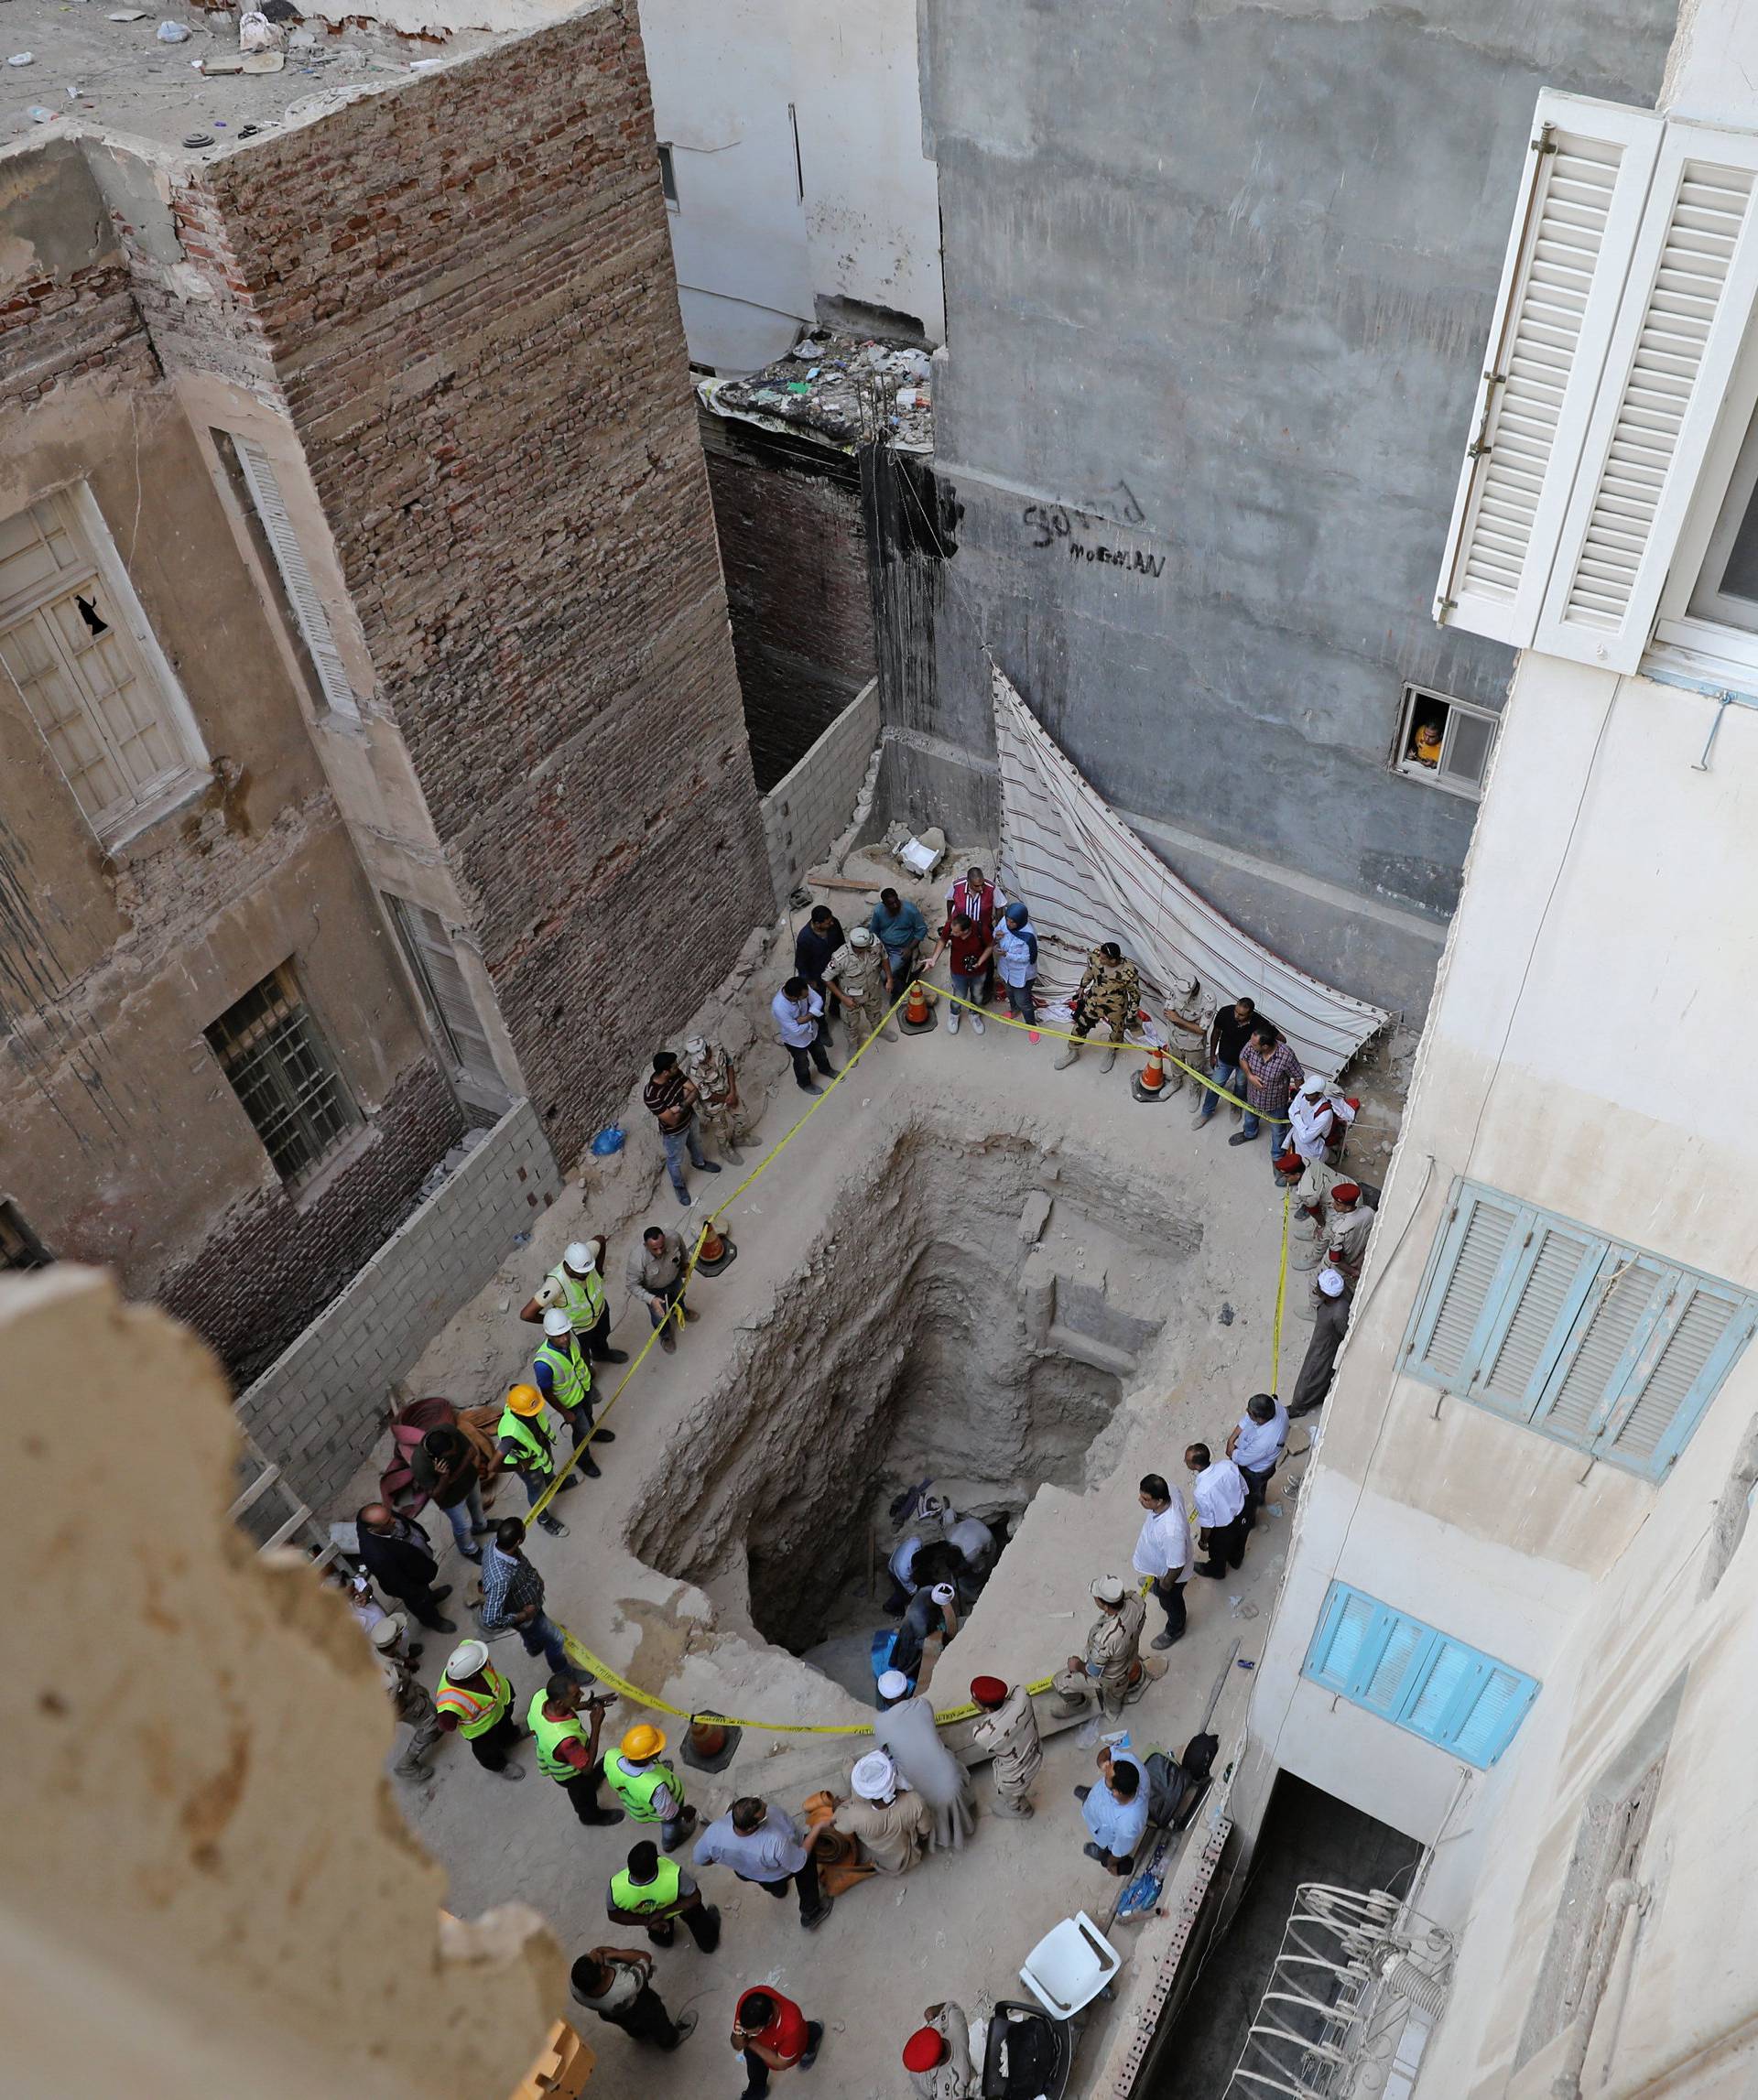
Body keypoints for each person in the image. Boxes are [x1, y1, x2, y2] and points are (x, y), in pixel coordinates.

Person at [694, 1797, 833, 1930]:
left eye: (760, 1801)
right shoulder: (775, 1842)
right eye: (764, 1814)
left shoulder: (714, 1832)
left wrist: (726, 1858)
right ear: (750, 1828)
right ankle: (811, 1912)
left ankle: (779, 1890)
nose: (767, 1806)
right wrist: (818, 1827)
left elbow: (700, 1858)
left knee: (771, 1883)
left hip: (748, 1873)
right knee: (806, 1864)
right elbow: (799, 1861)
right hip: (780, 1871)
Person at [481, 1517, 591, 1683]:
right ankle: (565, 1675)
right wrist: (523, 1615)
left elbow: (520, 1564)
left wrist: (535, 1578)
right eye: (524, 1531)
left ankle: (534, 1645)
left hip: (528, 1604)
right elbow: (490, 1619)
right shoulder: (501, 1579)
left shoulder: (495, 1544)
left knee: (532, 1631)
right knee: (556, 1639)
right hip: (525, 1612)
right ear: (519, 1540)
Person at [873, 1679, 977, 1850]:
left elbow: (883, 1752)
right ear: (907, 1690)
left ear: (884, 1699)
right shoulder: (923, 1704)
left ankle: (939, 1836)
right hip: (949, 1775)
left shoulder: (880, 1723)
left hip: (920, 1787)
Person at [527, 1672, 624, 1827]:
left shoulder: (541, 1698)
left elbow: (567, 1705)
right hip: (572, 1774)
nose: (582, 1694)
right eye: (576, 1695)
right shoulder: (565, 1739)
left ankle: (592, 1783)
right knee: (584, 1794)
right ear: (560, 1702)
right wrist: (596, 1725)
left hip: (555, 1754)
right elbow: (586, 1768)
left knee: (588, 1781)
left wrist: (587, 1704)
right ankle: (591, 1817)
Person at [1052, 1575, 1149, 1719]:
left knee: (1059, 1682)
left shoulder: (1105, 1639)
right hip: (1130, 1658)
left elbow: (1093, 1671)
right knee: (1116, 1695)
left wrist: (1077, 1665)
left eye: (1096, 1597)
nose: (1094, 1599)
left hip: (1111, 1675)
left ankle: (1079, 1705)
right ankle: (1113, 1711)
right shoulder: (1136, 1600)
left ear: (1105, 1605)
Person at [531, 1310, 612, 1477]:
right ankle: (584, 1460)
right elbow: (547, 1393)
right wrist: (565, 1413)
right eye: (559, 1336)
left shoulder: (571, 1337)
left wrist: (588, 1370)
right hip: (570, 1403)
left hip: (584, 1388)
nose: (565, 1339)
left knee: (588, 1416)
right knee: (580, 1430)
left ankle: (593, 1432)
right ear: (548, 1335)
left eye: (566, 1333)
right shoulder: (544, 1363)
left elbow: (580, 1353)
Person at [520, 1238, 627, 1364]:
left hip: (600, 1312)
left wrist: (598, 1270)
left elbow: (600, 1240)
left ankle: (601, 1354)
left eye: (588, 1270)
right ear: (569, 1268)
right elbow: (526, 1314)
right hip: (580, 1329)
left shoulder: (587, 1255)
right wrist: (554, 1322)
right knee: (583, 1356)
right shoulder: (555, 1285)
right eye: (582, 1273)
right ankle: (587, 1379)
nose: (587, 1274)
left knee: (602, 1337)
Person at [353, 1504, 456, 1633]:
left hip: (413, 1564)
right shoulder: (376, 1556)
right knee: (420, 1602)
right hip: (407, 1583)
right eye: (387, 1522)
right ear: (373, 1530)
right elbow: (396, 1584)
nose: (394, 1520)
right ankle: (433, 1620)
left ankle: (431, 1596)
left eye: (390, 1515)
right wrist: (415, 1593)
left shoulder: (371, 1518)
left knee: (424, 1589)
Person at [570, 1947, 697, 2051]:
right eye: (596, 1956)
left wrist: (602, 1957)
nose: (595, 1951)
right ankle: (670, 2040)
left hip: (610, 2013)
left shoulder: (576, 1987)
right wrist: (613, 1954)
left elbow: (597, 1954)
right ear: (602, 1971)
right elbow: (645, 1957)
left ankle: (640, 2034)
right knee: (656, 2019)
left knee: (630, 2025)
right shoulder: (627, 1985)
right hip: (639, 2005)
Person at [607, 1837, 722, 1951]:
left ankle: (664, 1939)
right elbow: (695, 1897)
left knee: (660, 1935)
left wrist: (649, 1921)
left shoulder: (615, 1887)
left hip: (648, 1915)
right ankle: (708, 1941)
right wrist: (664, 1912)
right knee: (704, 1932)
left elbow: (614, 1915)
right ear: (655, 1865)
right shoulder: (674, 1875)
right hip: (677, 1905)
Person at [434, 1640, 525, 1781]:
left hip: (502, 1704)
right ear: (472, 1675)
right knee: (487, 1751)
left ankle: (510, 1736)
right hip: (482, 1730)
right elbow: (447, 1725)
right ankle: (500, 1766)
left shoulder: (471, 1650)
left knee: (506, 1725)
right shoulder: (449, 1701)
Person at [831, 1750, 933, 1873]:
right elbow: (925, 1829)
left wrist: (837, 1807)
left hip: (878, 1855)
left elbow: (838, 1824)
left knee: (853, 1787)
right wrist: (921, 1834)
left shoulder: (855, 1816)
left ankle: (851, 1772)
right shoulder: (915, 1802)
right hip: (903, 1857)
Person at [602, 1723, 698, 1852]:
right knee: (671, 1823)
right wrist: (685, 1811)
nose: (660, 1749)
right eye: (656, 1750)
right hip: (659, 1805)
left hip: (635, 1794)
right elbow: (668, 1813)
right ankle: (670, 1843)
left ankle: (657, 1769)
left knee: (657, 1775)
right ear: (644, 1760)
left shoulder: (611, 1755)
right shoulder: (656, 1788)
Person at [644, 1048, 721, 1207]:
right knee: (675, 1161)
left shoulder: (675, 1074)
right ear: (665, 1072)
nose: (677, 1067)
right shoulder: (651, 1095)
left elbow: (694, 1091)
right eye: (674, 1066)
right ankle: (679, 1187)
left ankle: (699, 1163)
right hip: (673, 1133)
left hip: (690, 1119)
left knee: (696, 1143)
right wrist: (684, 1100)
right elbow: (672, 1122)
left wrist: (679, 1106)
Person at [407, 1420, 494, 1562]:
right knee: (463, 1525)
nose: (455, 1452)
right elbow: (436, 1494)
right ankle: (469, 1549)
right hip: (451, 1499)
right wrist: (444, 1477)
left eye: (455, 1448)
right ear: (437, 1459)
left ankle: (481, 1526)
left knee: (477, 1504)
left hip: (470, 1480)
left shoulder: (447, 1430)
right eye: (450, 1455)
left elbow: (471, 1452)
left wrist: (452, 1478)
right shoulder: (420, 1465)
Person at [495, 1383, 572, 1537]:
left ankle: (554, 1485)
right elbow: (493, 1465)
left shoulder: (523, 1403)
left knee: (549, 1470)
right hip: (529, 1466)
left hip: (541, 1451)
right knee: (537, 1490)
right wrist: (520, 1466)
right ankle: (544, 1520)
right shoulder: (511, 1433)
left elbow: (514, 1388)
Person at [1058, 941, 1141, 1073]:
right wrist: (1082, 987)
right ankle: (1073, 1051)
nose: (1099, 959)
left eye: (1103, 958)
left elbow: (1135, 995)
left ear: (1113, 960)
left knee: (1117, 1032)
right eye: (1100, 956)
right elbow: (1090, 972)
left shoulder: (1128, 971)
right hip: (1094, 1001)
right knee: (1080, 1026)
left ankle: (1112, 1051)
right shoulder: (1096, 956)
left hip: (1116, 1006)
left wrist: (1131, 1014)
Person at [374, 1621, 443, 1780]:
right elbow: (394, 1708)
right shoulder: (391, 1679)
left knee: (432, 1717)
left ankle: (434, 1730)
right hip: (407, 1704)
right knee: (430, 1724)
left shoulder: (379, 1652)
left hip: (409, 1691)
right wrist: (413, 1710)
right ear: (397, 1641)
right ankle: (406, 1765)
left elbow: (394, 1659)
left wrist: (406, 1662)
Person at [1134, 1472, 1195, 1650]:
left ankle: (1175, 1629)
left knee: (1170, 1602)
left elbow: (1176, 1567)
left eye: (1145, 1499)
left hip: (1171, 1574)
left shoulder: (1171, 1531)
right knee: (1161, 1585)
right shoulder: (1172, 1491)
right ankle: (1155, 1584)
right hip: (1161, 1561)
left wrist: (1165, 1587)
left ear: (1159, 1501)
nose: (1140, 1500)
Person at [1282, 1073, 1357, 1215]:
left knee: (1312, 1176)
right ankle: (1295, 1180)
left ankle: (1308, 1203)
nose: (1305, 1095)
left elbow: (1306, 1137)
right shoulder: (1305, 1094)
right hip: (1299, 1140)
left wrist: (1297, 1118)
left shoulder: (1324, 1113)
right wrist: (1300, 1123)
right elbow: (1292, 1111)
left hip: (1313, 1149)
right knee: (1297, 1160)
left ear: (1318, 1094)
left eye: (1309, 1093)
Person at [968, 1675, 1042, 1819]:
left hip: (1015, 1776)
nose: (972, 1702)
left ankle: (1023, 1811)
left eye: (975, 1701)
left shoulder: (983, 1734)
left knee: (1011, 1797)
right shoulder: (1022, 1695)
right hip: (1036, 1753)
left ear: (988, 1709)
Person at [732, 1986, 822, 2095]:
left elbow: (781, 2064)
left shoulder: (792, 2026)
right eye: (745, 2032)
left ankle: (813, 2033)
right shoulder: (747, 2005)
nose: (748, 2035)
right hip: (765, 2043)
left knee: (801, 2039)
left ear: (770, 2019)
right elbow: (737, 2045)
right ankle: (756, 2091)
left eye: (754, 2032)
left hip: (787, 2042)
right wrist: (740, 2037)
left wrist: (750, 2042)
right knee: (753, 2060)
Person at [1076, 1742, 1150, 1876]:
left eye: (1106, 1779)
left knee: (1107, 1855)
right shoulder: (1128, 1763)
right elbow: (1107, 1752)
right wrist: (1102, 1761)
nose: (1107, 1767)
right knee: (1090, 1802)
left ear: (1116, 1793)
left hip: (1102, 1830)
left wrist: (1109, 1863)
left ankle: (1100, 1853)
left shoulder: (1129, 1824)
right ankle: (1089, 1798)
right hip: (1096, 1800)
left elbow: (1119, 1852)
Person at [1290, 1267, 1351, 1417]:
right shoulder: (1342, 1294)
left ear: (1328, 1295)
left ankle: (1298, 1407)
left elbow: (1345, 1333)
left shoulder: (1338, 1314)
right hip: (1322, 1339)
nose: (1315, 1291)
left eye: (1319, 1290)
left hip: (1325, 1348)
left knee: (1310, 1378)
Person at [824, 925, 898, 1049]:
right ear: (856, 946)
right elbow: (826, 978)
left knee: (875, 1014)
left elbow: (884, 958)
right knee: (850, 1024)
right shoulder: (841, 957)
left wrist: (889, 978)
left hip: (873, 990)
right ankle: (852, 1046)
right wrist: (843, 998)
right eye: (864, 948)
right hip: (852, 998)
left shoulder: (874, 942)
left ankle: (879, 1030)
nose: (869, 949)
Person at [1234, 1021, 1304, 1152]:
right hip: (1253, 1097)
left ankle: (1277, 1155)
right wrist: (1249, 1075)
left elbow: (1298, 1076)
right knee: (1249, 1118)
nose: (1250, 1044)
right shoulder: (1251, 1046)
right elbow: (1242, 1057)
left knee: (1278, 1130)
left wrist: (1299, 1101)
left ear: (1265, 1046)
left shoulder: (1286, 1056)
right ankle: (1249, 1134)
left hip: (1275, 1102)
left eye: (1254, 1044)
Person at [624, 1224, 695, 1354]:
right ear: (646, 1246)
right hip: (654, 1291)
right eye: (654, 1249)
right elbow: (632, 1285)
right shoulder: (637, 1259)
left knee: (679, 1297)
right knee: (659, 1316)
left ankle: (680, 1311)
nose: (660, 1251)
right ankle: (665, 1336)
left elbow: (683, 1251)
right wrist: (651, 1299)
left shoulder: (673, 1237)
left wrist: (685, 1264)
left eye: (662, 1246)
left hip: (674, 1279)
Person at [684, 1034, 754, 1164]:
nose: (701, 1061)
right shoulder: (694, 1071)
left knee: (742, 1117)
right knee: (721, 1128)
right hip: (713, 1105)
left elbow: (729, 1065)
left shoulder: (717, 1047)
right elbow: (706, 1095)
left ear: (707, 1049)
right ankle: (725, 1149)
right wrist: (727, 1099)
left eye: (703, 1057)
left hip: (729, 1091)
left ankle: (739, 1138)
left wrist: (733, 1091)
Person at [1193, 993, 1259, 1128]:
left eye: (1241, 1015)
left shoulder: (1258, 1022)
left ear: (1250, 1014)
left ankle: (1236, 1106)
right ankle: (1206, 1112)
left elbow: (1280, 1039)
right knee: (1215, 1086)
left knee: (1240, 1086)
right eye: (1236, 1011)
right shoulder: (1225, 1012)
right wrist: (1212, 1055)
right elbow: (1216, 1032)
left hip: (1244, 1065)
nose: (1236, 1016)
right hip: (1223, 1060)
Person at [942, 861, 1004, 1001]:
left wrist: (999, 925)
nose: (981, 888)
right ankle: (960, 984)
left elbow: (1000, 906)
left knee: (986, 962)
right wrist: (948, 919)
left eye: (982, 884)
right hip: (963, 933)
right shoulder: (957, 886)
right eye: (977, 885)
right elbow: (950, 900)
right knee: (959, 956)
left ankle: (985, 990)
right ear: (968, 881)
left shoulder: (991, 888)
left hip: (982, 932)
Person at [1227, 1392, 1289, 1528]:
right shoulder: (1274, 1406)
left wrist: (1231, 1451)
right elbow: (1247, 1420)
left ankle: (1249, 1522)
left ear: (1261, 1419)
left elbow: (1242, 1459)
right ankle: (1260, 1500)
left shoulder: (1266, 1441)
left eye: (1250, 1413)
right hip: (1266, 1465)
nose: (1246, 1413)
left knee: (1249, 1496)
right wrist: (1232, 1439)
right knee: (1259, 1489)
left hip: (1255, 1471)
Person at [1188, 1443, 1249, 1576]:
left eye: (1187, 1460)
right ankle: (1236, 1562)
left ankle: (1217, 1572)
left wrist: (1203, 1541)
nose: (1184, 1461)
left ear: (1196, 1466)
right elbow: (1244, 1488)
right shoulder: (1228, 1466)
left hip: (1223, 1529)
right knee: (1240, 1541)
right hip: (1242, 1514)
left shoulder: (1201, 1492)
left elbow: (1207, 1523)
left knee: (1218, 1553)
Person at [924, 911, 989, 1036]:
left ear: (966, 931)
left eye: (955, 932)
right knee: (958, 995)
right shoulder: (950, 927)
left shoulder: (981, 930)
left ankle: (974, 1015)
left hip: (979, 971)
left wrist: (980, 962)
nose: (952, 934)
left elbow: (990, 946)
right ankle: (954, 1014)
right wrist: (933, 959)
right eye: (952, 931)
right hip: (958, 970)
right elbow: (942, 940)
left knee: (977, 994)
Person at [888, 1579, 960, 1689]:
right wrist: (936, 1645)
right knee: (909, 1656)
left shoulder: (927, 1589)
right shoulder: (920, 1621)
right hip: (912, 1635)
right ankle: (904, 1672)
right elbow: (919, 1642)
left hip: (917, 1622)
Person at [773, 976, 836, 1094]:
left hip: (812, 1031)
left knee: (820, 1052)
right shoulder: (779, 1007)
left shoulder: (802, 988)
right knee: (802, 1063)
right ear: (794, 998)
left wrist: (806, 1018)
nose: (807, 997)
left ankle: (825, 1069)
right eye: (804, 997)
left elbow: (818, 1000)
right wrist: (810, 1019)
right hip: (796, 1041)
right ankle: (805, 1084)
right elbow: (796, 1031)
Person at [794, 904, 847, 1038]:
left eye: (831, 920)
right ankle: (822, 1029)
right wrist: (810, 981)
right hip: (817, 975)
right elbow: (801, 963)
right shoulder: (805, 938)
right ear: (817, 924)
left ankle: (834, 1010)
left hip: (835, 968)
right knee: (819, 1003)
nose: (832, 923)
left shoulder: (834, 924)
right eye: (828, 922)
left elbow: (841, 943)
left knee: (837, 991)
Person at [903, 2005, 976, 2100]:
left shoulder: (955, 2084)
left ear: (936, 2064)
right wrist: (935, 2009)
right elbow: (949, 2006)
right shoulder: (953, 2019)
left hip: (926, 2087)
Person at [1158, 975, 1215, 1096]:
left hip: (1193, 1043)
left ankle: (1195, 1089)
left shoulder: (1208, 1000)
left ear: (1194, 990)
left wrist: (1178, 1020)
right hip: (1175, 1037)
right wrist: (1186, 1024)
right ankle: (1176, 1082)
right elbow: (1168, 1013)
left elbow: (1201, 1030)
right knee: (1175, 1062)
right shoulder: (1177, 986)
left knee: (1195, 1068)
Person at [869, 887, 929, 995]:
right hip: (883, 946)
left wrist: (910, 948)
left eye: (896, 901)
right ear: (884, 904)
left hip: (900, 949)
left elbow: (922, 929)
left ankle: (900, 994)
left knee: (885, 975)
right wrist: (875, 946)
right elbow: (874, 930)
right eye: (891, 904)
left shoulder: (910, 910)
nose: (895, 905)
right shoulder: (879, 910)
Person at [993, 900, 1039, 1025]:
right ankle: (1014, 1011)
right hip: (1005, 969)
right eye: (1007, 919)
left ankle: (1032, 1025)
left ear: (1021, 920)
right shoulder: (1004, 922)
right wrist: (997, 936)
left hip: (1021, 973)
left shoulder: (1029, 935)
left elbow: (1027, 957)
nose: (1008, 923)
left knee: (1023, 1001)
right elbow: (996, 931)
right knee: (1010, 993)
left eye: (1012, 922)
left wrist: (1007, 955)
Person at [1322, 1182, 1374, 1288]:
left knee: (1320, 1283)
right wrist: (1358, 1261)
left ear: (1347, 1208)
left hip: (1342, 1265)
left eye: (1337, 1204)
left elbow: (1335, 1260)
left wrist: (1353, 1271)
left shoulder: (1338, 1229)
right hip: (1357, 1256)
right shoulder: (1369, 1212)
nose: (1333, 1204)